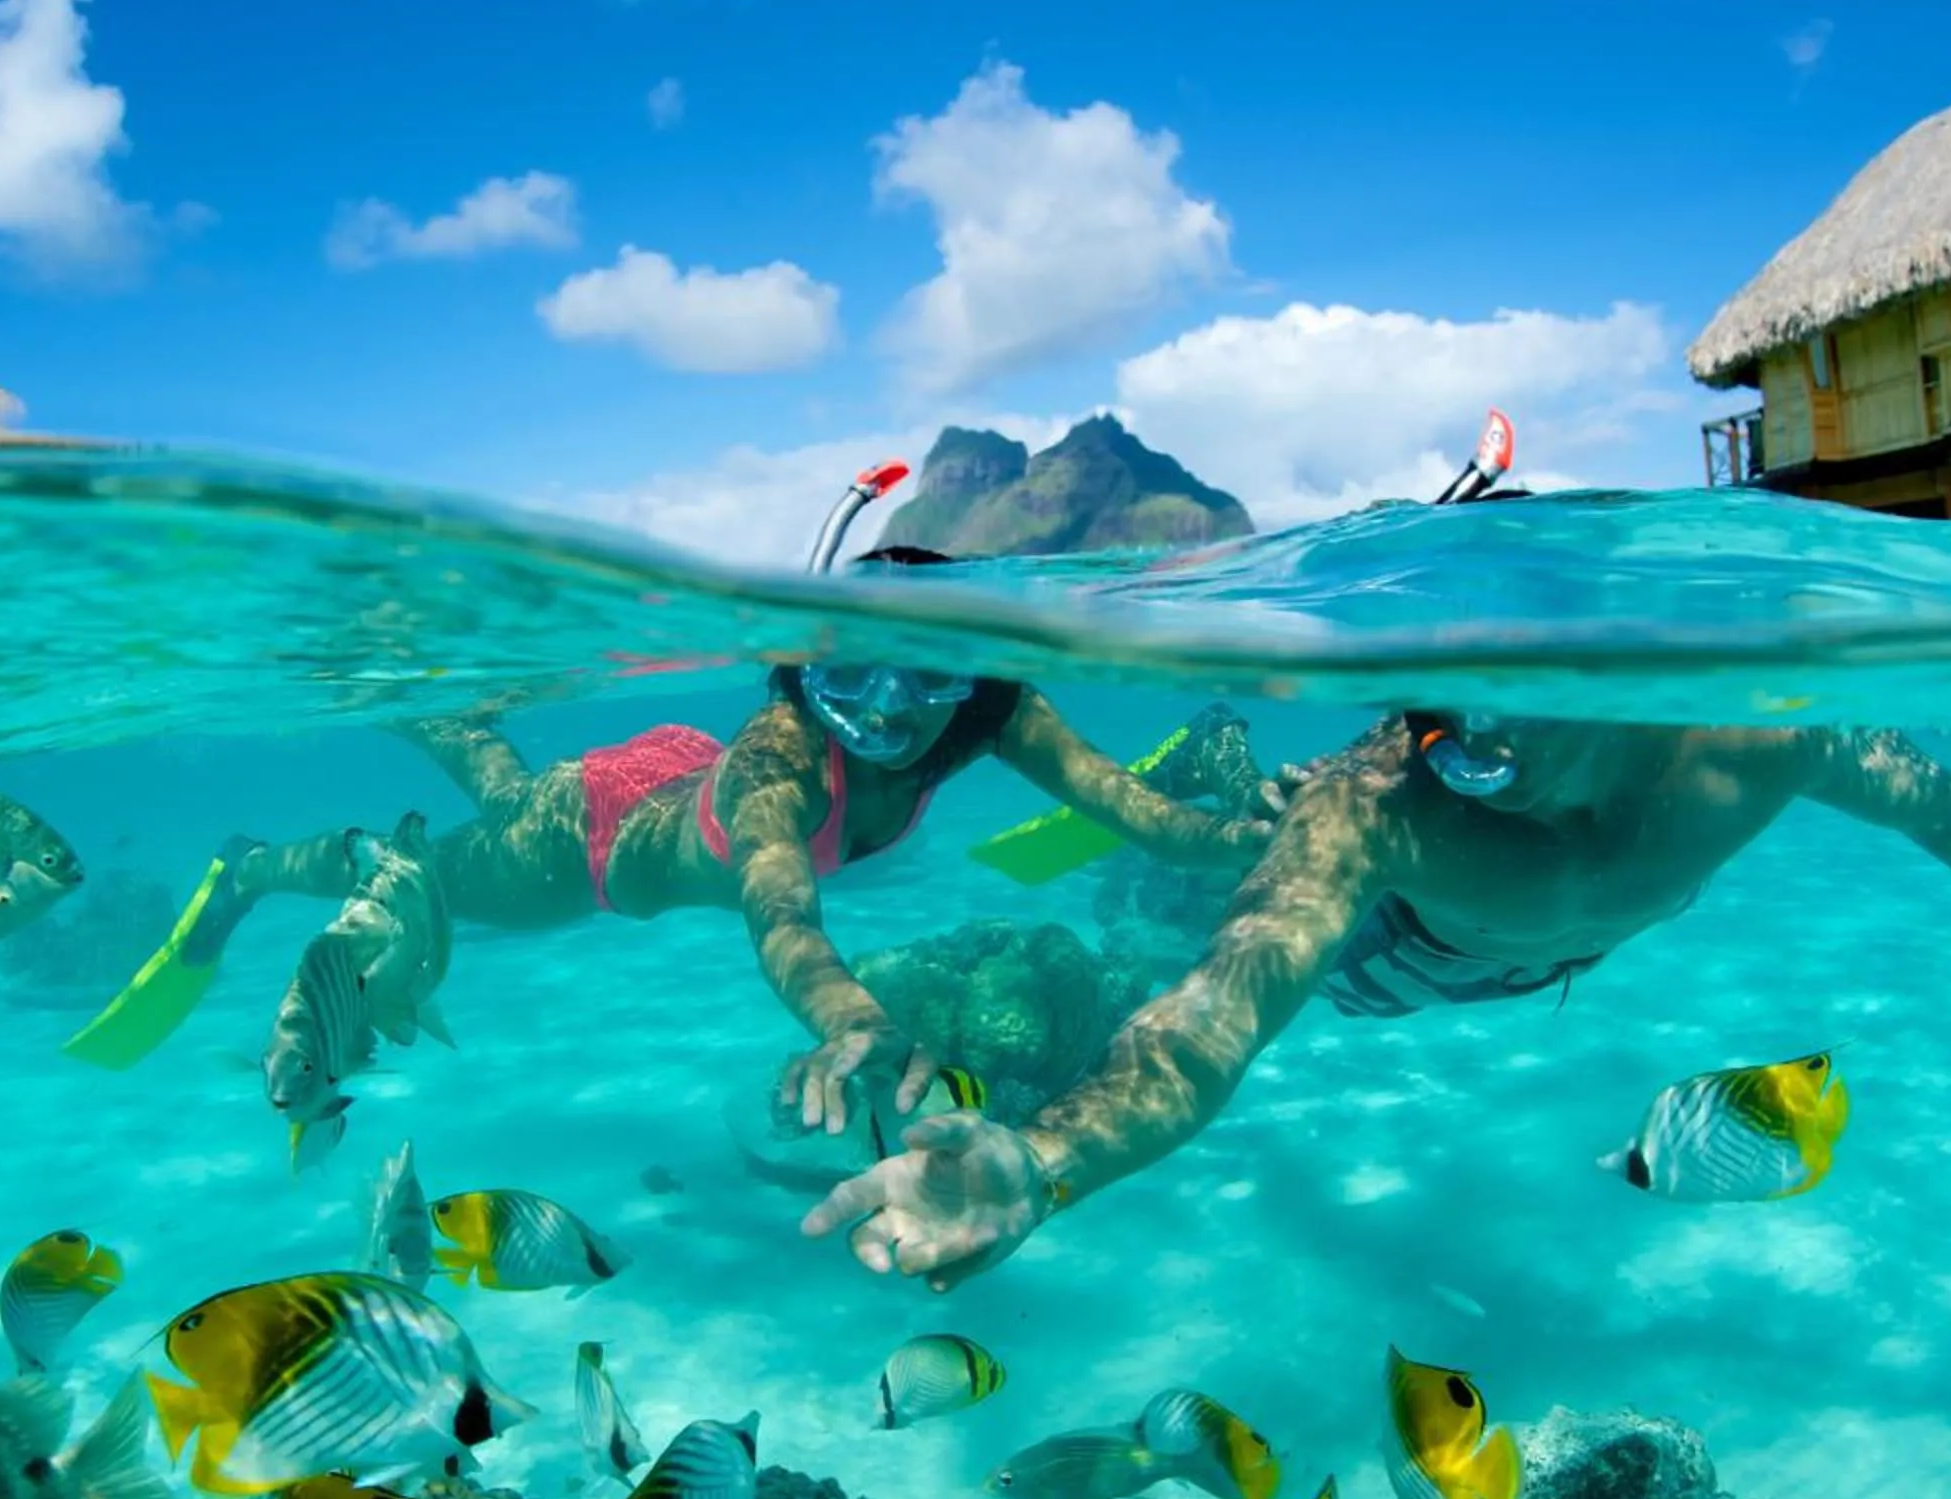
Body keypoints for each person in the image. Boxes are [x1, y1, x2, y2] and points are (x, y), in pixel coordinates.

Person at [800, 709, 1951, 1290]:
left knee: (1269, 857)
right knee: (1207, 919)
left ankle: (1224, 793)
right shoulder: (1389, 802)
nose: (1467, 770)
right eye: (1438, 734)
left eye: (1498, 744)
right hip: (1403, 956)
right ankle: (1208, 806)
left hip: (1551, 949)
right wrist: (1046, 1159)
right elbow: (1215, 1022)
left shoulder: (1755, 740)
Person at [64, 466, 1266, 1114]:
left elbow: (1138, 812)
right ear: (804, 666)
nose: (893, 709)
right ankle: (254, 861)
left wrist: (1248, 834)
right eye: (854, 672)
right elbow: (780, 909)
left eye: (928, 674)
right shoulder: (782, 761)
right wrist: (852, 1019)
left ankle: (447, 714)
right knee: (422, 874)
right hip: (580, 851)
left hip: (645, 779)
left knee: (504, 783)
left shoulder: (992, 710)